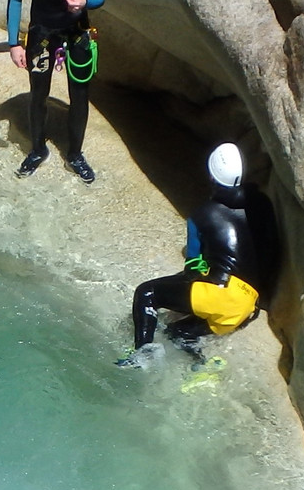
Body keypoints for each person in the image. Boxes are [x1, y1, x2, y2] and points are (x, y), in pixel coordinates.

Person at [118, 143, 279, 367]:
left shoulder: (201, 215)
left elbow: (192, 268)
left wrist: (175, 288)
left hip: (219, 295)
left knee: (146, 293)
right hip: (246, 306)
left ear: (212, 177)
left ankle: (140, 355)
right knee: (177, 332)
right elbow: (269, 251)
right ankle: (202, 366)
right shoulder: (262, 205)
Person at [6, 0, 105, 183]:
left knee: (80, 95)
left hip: (76, 33)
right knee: (38, 93)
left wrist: (85, 2)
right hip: (41, 34)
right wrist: (13, 44)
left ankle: (75, 155)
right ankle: (37, 149)